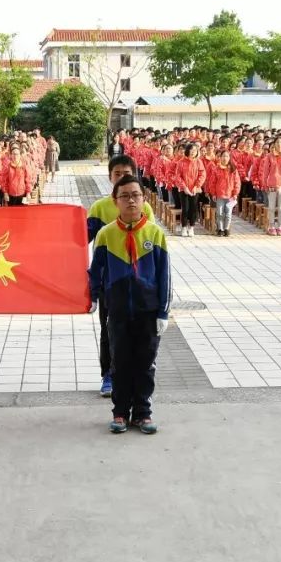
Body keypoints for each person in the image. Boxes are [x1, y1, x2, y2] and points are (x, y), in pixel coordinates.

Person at [88, 175, 170, 435]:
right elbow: (96, 271)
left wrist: (163, 312)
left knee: (146, 364)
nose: (131, 200)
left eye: (136, 195)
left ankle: (143, 413)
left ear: (144, 199)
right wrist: (92, 296)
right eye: (125, 196)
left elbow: (164, 275)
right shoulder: (106, 234)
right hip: (119, 312)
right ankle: (121, 412)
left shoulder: (155, 234)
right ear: (116, 201)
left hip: (148, 312)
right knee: (120, 363)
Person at [86, 155, 156, 396]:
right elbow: (81, 240)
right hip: (110, 283)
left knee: (139, 330)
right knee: (109, 330)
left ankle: (137, 373)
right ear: (110, 178)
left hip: (139, 284)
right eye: (117, 174)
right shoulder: (99, 208)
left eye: (128, 173)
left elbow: (151, 241)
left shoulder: (143, 207)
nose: (123, 177)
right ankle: (108, 374)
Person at [207, 149, 241, 237]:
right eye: (223, 156)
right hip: (219, 195)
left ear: (229, 158)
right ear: (220, 158)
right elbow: (212, 182)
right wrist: (213, 193)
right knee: (220, 213)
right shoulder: (216, 169)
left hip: (230, 195)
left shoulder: (233, 170)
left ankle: (226, 228)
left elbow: (237, 182)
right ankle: (220, 229)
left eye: (226, 156)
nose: (225, 158)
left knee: (228, 213)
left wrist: (235, 193)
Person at [176, 143, 206, 237]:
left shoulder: (198, 162)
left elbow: (202, 174)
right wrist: (184, 187)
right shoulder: (181, 162)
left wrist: (197, 186)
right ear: (187, 151)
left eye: (195, 150)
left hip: (194, 189)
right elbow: (178, 176)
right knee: (185, 208)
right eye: (191, 150)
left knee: (193, 208)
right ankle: (184, 227)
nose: (193, 152)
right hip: (183, 189)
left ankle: (191, 227)